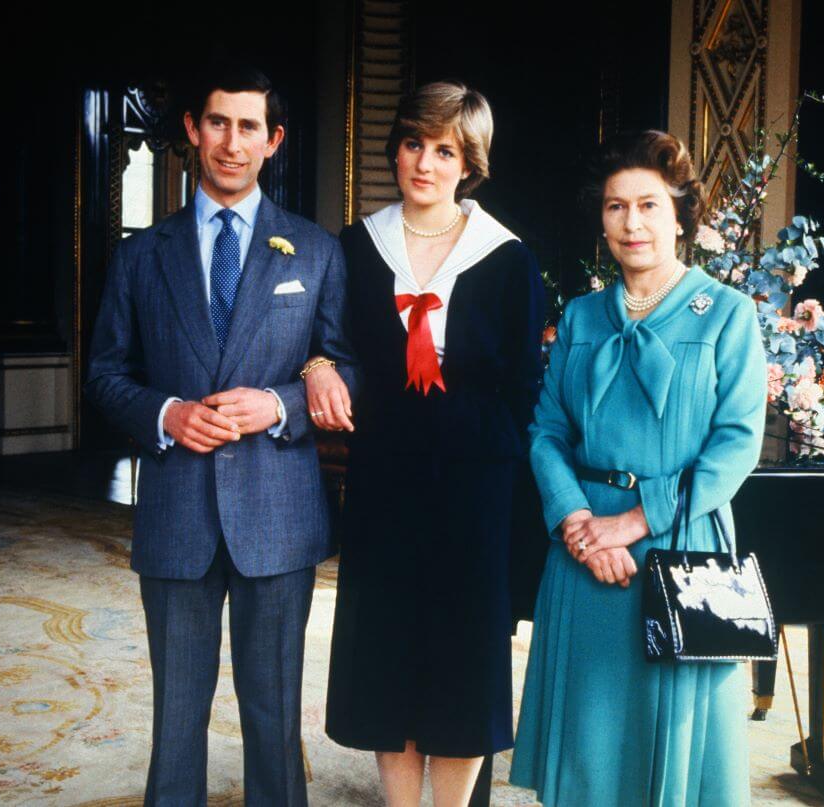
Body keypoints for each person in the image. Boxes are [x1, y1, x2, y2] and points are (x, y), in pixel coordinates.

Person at [84, 67, 357, 807]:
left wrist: (277, 403)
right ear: (193, 133)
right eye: (216, 124)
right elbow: (105, 375)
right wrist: (166, 413)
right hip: (176, 512)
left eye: (247, 128)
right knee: (177, 718)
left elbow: (350, 372)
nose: (230, 143)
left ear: (273, 141)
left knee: (273, 718)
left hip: (278, 514)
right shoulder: (142, 255)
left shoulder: (316, 250)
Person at [509, 130, 766, 806]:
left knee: (672, 756)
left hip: (677, 549)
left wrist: (632, 521)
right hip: (585, 551)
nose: (632, 223)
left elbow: (737, 443)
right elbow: (546, 431)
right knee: (589, 749)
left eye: (649, 205)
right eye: (616, 206)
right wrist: (575, 519)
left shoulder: (729, 315)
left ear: (681, 215)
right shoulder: (582, 315)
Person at [313, 81, 545, 807]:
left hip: (476, 486)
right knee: (387, 650)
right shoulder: (357, 245)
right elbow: (331, 345)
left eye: (445, 149)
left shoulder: (507, 259)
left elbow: (524, 390)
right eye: (415, 143)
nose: (425, 162)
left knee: (462, 658)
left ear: (468, 161)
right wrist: (317, 364)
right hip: (385, 477)